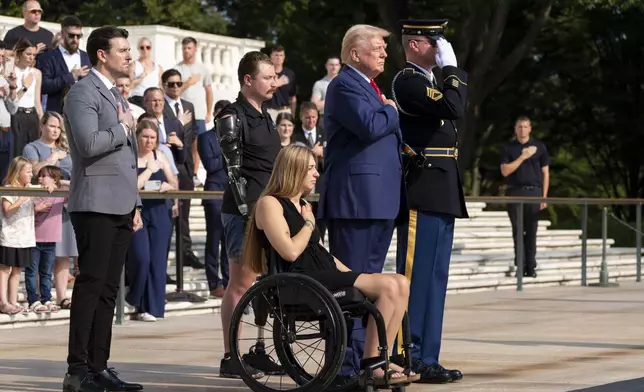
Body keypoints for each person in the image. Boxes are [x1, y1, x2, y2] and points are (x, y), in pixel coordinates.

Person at [245, 144, 418, 386]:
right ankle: (372, 363)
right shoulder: (270, 204)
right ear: (294, 170)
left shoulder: (303, 205)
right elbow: (291, 251)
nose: (317, 173)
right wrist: (308, 224)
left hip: (323, 273)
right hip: (301, 281)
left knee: (400, 282)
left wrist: (354, 274)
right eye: (311, 168)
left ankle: (382, 359)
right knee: (390, 286)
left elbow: (319, 251)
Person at [62, 26, 143, 392]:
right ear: (101, 54)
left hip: (123, 204)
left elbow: (128, 159)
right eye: (123, 50)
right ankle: (77, 372)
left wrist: (136, 203)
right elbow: (89, 143)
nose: (129, 55)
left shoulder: (116, 94)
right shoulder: (82, 92)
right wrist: (124, 128)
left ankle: (99, 367)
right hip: (94, 204)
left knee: (109, 290)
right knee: (91, 287)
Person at [319, 24, 402, 379]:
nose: (384, 53)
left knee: (370, 289)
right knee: (351, 287)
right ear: (355, 53)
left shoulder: (369, 86)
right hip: (356, 201)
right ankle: (345, 365)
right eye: (378, 47)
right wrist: (392, 110)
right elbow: (370, 125)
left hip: (378, 200)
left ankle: (371, 360)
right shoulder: (345, 84)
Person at [392, 19, 468, 384]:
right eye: (435, 41)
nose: (441, 48)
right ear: (417, 44)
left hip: (441, 186)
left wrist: (446, 73)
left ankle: (428, 357)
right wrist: (452, 69)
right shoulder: (408, 81)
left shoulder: (430, 82)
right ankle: (408, 353)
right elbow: (454, 108)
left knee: (435, 278)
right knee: (416, 276)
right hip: (423, 187)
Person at [215, 51, 280, 379]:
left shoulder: (266, 115)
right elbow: (232, 169)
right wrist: (247, 213)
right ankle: (231, 356)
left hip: (270, 210)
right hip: (245, 212)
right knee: (240, 284)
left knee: (267, 284)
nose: (274, 82)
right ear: (248, 80)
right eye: (268, 77)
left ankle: (258, 350)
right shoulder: (232, 113)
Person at [127, 119, 177, 322]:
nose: (149, 141)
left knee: (157, 261)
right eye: (145, 137)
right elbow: (133, 186)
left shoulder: (161, 155)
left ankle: (152, 308)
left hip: (159, 211)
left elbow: (174, 181)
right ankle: (133, 297)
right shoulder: (129, 156)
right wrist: (149, 169)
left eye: (153, 138)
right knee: (141, 257)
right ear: (137, 136)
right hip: (137, 211)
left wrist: (168, 186)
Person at [500, 115, 549, 278]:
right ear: (515, 129)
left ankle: (531, 267)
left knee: (532, 231)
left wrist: (544, 197)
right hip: (514, 191)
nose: (522, 130)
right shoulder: (508, 148)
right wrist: (523, 156)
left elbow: (545, 173)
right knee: (518, 231)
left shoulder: (540, 147)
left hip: (534, 192)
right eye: (519, 127)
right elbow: (505, 171)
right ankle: (520, 266)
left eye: (525, 126)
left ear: (530, 128)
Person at [25, 165, 66, 314]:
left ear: (54, 178)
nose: (40, 178)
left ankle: (46, 298)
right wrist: (36, 209)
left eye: (44, 176)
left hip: (51, 240)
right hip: (33, 240)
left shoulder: (60, 193)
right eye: (39, 176)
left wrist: (59, 183)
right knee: (31, 271)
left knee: (46, 272)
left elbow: (77, 185)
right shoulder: (34, 193)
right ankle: (33, 300)